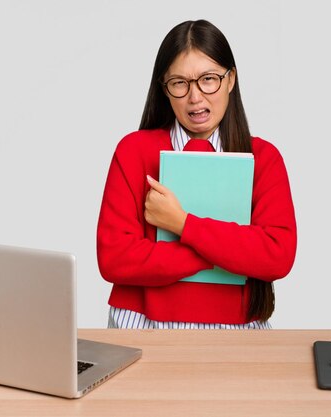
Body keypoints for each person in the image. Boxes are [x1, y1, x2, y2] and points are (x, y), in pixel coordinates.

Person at [96, 19, 297, 329]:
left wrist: (182, 224)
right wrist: (227, 253)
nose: (195, 97)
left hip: (238, 330)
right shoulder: (133, 151)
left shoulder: (264, 159)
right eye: (179, 82)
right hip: (141, 325)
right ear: (164, 89)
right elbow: (115, 259)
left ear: (231, 80)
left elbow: (277, 256)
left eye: (209, 79)